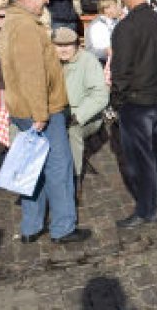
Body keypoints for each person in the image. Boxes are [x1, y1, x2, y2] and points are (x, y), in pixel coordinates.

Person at [0, 0, 90, 244]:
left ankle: (31, 226)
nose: (47, 1)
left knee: (32, 167)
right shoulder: (26, 26)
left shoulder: (13, 22)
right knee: (58, 168)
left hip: (25, 108)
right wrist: (40, 113)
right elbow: (33, 75)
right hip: (41, 110)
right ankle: (63, 228)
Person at [110, 0, 157, 227]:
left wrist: (116, 101)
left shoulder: (126, 27)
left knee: (142, 159)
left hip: (138, 102)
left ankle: (147, 209)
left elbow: (121, 70)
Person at [52, 27, 109, 202]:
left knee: (72, 132)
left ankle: (74, 179)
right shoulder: (49, 61)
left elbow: (100, 95)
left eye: (68, 45)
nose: (63, 49)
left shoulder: (88, 61)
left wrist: (78, 116)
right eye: (58, 45)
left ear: (77, 45)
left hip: (86, 116)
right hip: (56, 113)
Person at [85, 0, 120, 65]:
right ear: (107, 9)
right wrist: (105, 52)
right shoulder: (96, 26)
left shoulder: (117, 22)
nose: (118, 9)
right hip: (102, 64)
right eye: (115, 7)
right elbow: (90, 50)